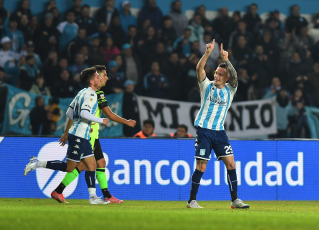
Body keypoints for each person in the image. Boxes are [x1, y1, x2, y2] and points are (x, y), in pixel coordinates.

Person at [50, 65, 136, 203]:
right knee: (84, 165)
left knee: (100, 162)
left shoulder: (86, 92)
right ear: (97, 77)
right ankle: (60, 190)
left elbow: (72, 115)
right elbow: (109, 114)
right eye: (104, 75)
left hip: (92, 134)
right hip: (88, 135)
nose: (107, 78)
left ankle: (106, 195)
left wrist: (66, 132)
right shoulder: (97, 94)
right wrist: (127, 122)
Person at [24, 67, 109, 205]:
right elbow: (83, 114)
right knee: (70, 168)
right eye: (98, 77)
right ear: (92, 80)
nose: (100, 79)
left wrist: (66, 132)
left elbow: (69, 112)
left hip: (82, 135)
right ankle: (37, 163)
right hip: (78, 135)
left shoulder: (81, 93)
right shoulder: (91, 95)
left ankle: (93, 197)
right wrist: (101, 120)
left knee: (91, 164)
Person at [187, 40, 249, 209]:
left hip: (220, 133)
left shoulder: (231, 89)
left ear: (226, 78)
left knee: (231, 164)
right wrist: (207, 54)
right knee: (201, 166)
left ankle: (235, 200)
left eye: (220, 74)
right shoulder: (206, 86)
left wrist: (227, 60)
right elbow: (199, 69)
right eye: (215, 73)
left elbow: (236, 77)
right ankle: (192, 201)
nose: (216, 76)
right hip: (204, 131)